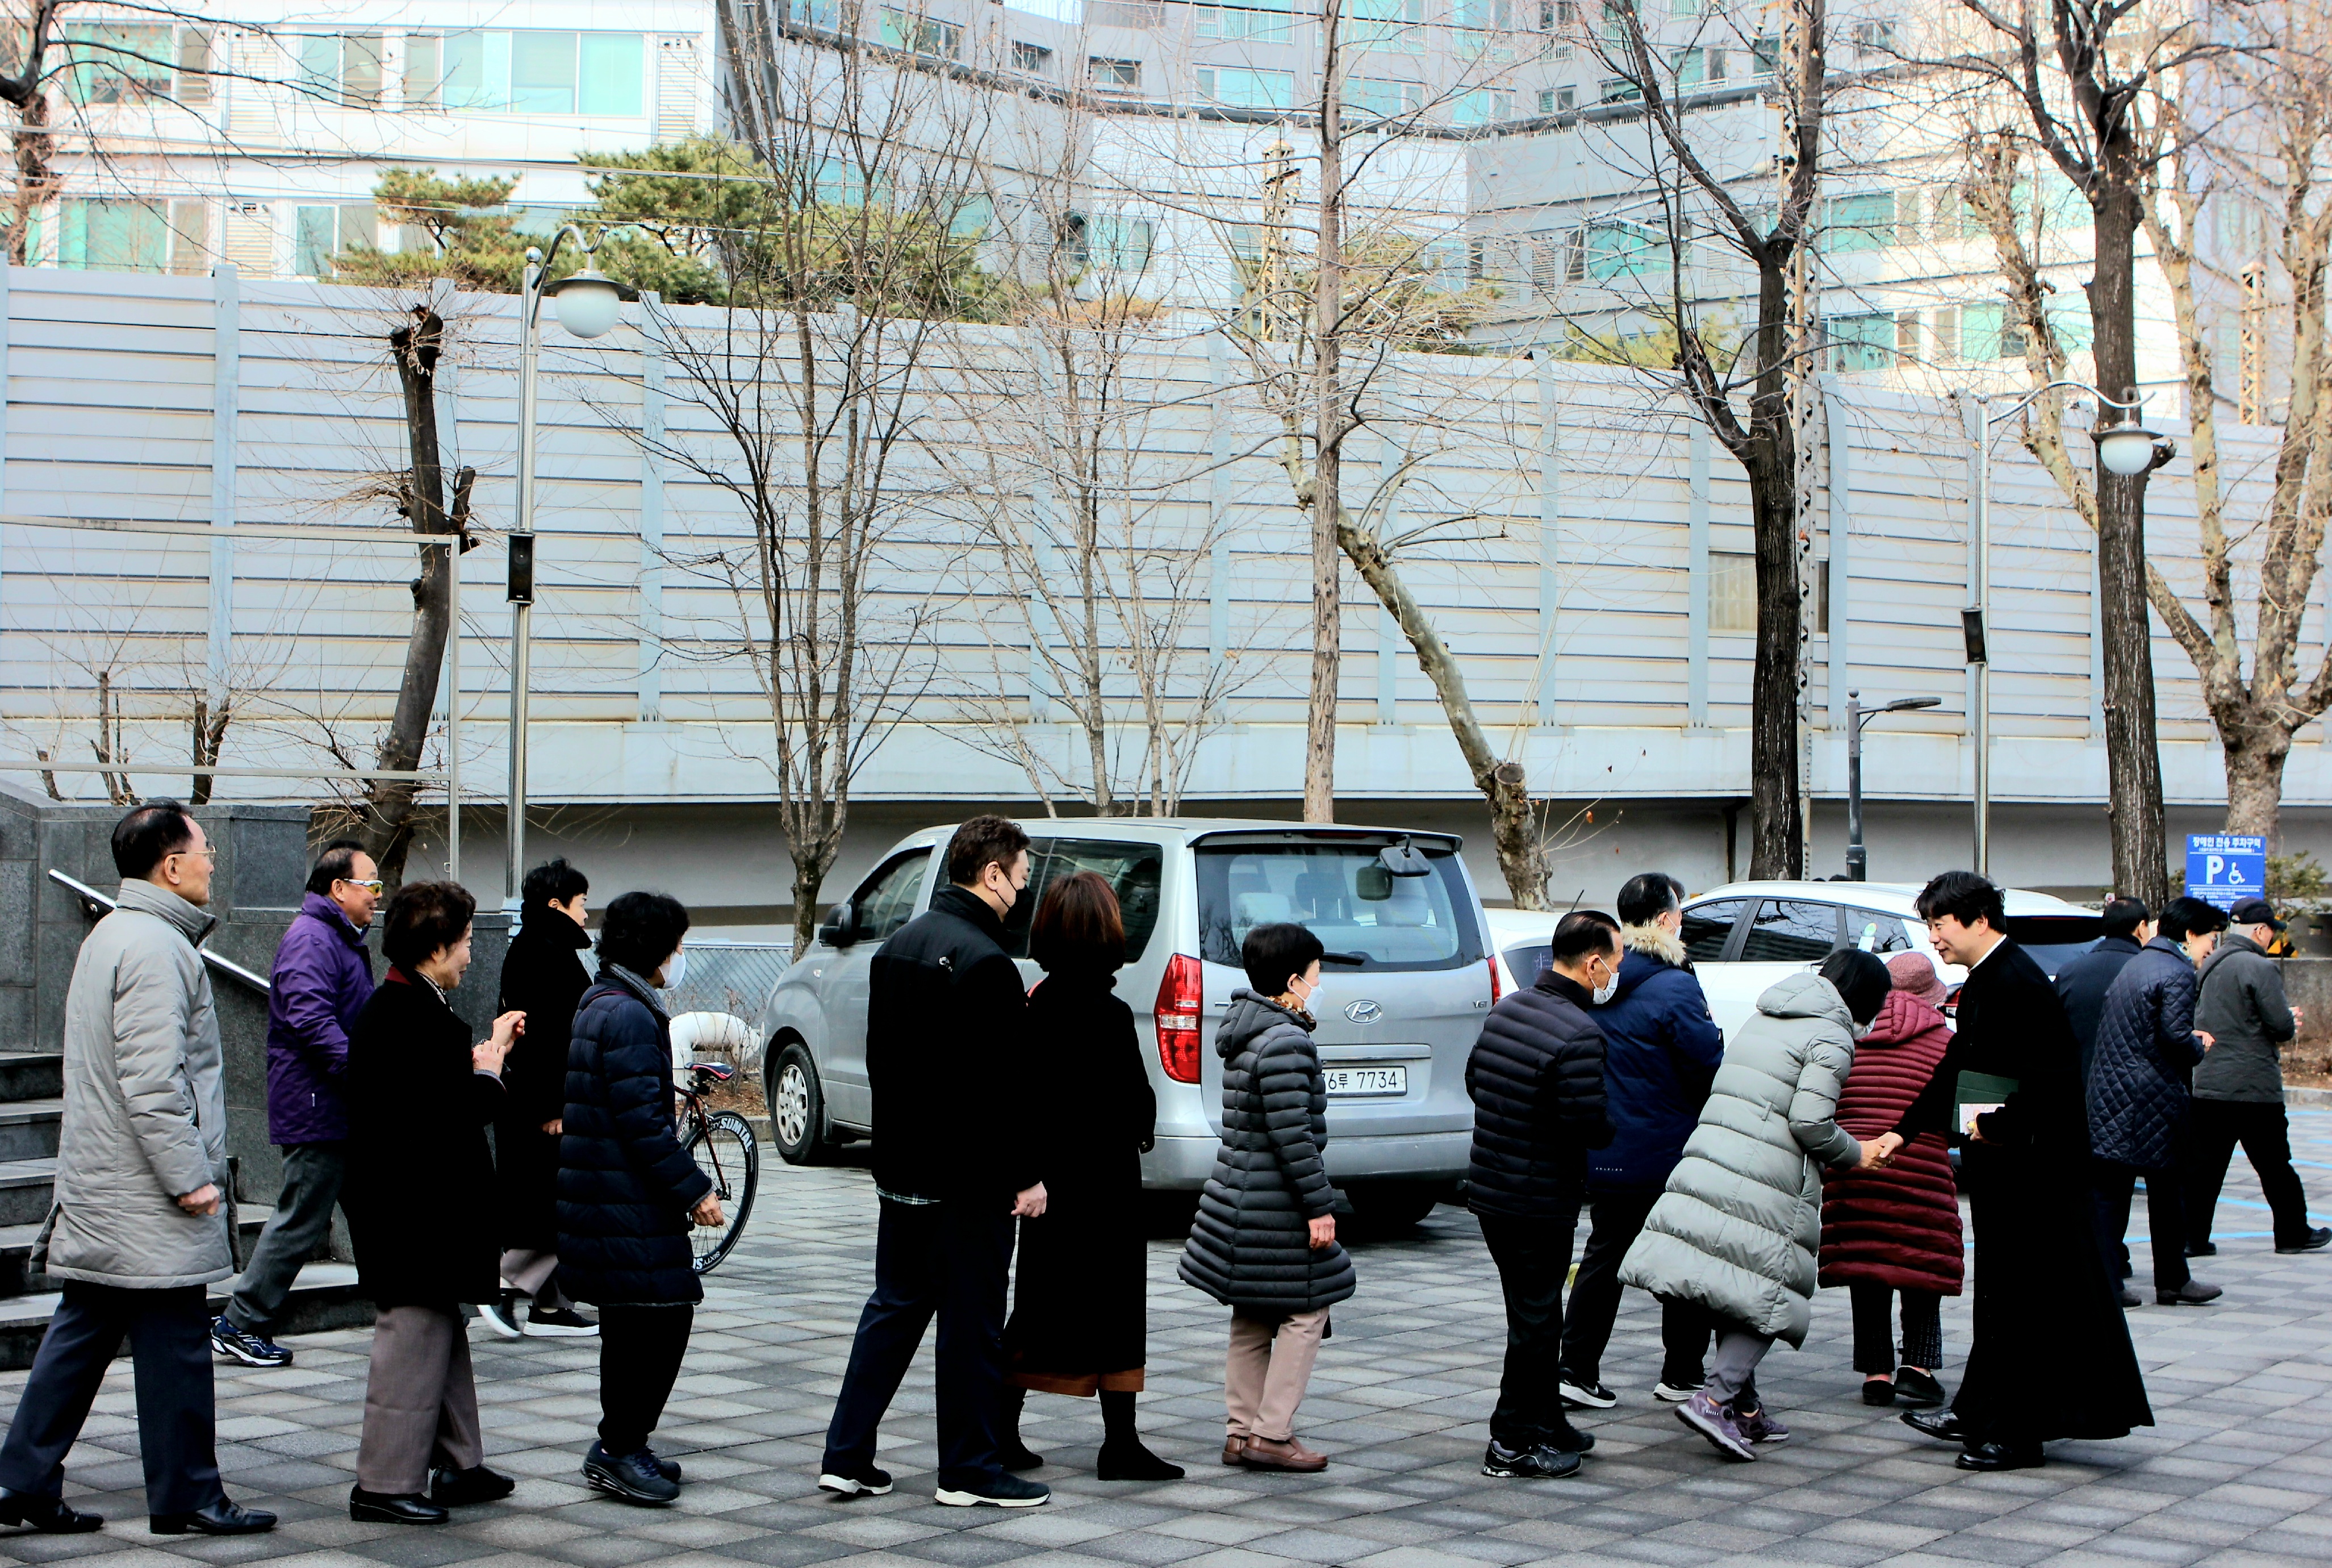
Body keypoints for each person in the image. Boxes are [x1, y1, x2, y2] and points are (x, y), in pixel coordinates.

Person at [0, 802, 275, 1536]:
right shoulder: (157, 947)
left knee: (82, 1332)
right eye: (204, 849)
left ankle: (21, 1480)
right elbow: (153, 1082)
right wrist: (190, 1177)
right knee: (176, 1341)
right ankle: (187, 1495)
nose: (213, 861)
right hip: (147, 1191)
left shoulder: (112, 934)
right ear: (171, 865)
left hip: (107, 1180)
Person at [1882, 870, 2151, 1473]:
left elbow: (2051, 1083)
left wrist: (1995, 1127)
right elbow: (1957, 1066)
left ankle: (2018, 1434)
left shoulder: (2016, 982)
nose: (1933, 937)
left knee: (2026, 1303)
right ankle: (1979, 1408)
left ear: (1979, 920)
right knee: (2001, 1298)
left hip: (2036, 1174)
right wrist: (1903, 1130)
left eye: (1940, 924)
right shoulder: (1987, 977)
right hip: (2005, 1167)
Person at [820, 816, 1050, 1510]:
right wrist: (1025, 1175)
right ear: (991, 874)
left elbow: (881, 1063)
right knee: (971, 1324)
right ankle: (968, 1468)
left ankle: (846, 1456)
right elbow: (1000, 1089)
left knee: (893, 1308)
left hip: (901, 1166)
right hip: (969, 1180)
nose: (1023, 892)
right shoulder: (987, 963)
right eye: (1020, 877)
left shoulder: (898, 947)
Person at [1620, 950, 1889, 1463]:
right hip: (1766, 1175)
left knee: (1736, 1286)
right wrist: (1858, 1153)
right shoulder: (1831, 1034)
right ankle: (1715, 1399)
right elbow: (1810, 1122)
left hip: (1716, 1156)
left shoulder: (1772, 1012)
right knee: (1769, 1291)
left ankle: (1745, 1408)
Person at [343, 881, 524, 1525]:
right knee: (413, 1339)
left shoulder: (405, 1005)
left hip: (410, 1206)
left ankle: (458, 1463)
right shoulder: (410, 1017)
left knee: (439, 1335)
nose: (471, 954)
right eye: (467, 942)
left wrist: (482, 1063)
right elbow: (448, 1117)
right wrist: (490, 1071)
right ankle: (383, 1483)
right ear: (436, 947)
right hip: (411, 1212)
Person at [997, 872, 1180, 1483]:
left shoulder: (1034, 1005)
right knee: (1116, 1307)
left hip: (1051, 1186)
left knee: (1039, 1305)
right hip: (1107, 1184)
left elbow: (1020, 1100)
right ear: (1107, 936)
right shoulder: (1109, 1013)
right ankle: (1120, 1442)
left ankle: (1001, 1428)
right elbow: (1136, 1105)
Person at [560, 891, 722, 1507]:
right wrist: (695, 1189)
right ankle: (619, 1447)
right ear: (654, 949)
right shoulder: (626, 1013)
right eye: (677, 944)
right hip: (624, 1201)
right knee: (658, 1318)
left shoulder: (605, 1000)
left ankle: (625, 1442)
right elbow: (643, 1125)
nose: (679, 956)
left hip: (611, 1196)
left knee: (635, 1323)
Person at [1178, 921, 1355, 1475]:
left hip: (1240, 1196)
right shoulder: (1286, 1041)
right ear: (1293, 981)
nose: (1319, 984)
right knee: (1309, 1307)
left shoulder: (1247, 1029)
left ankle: (1240, 1432)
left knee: (1253, 1312)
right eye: (1316, 974)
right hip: (1275, 1204)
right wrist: (1319, 1207)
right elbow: (1293, 1136)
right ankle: (1272, 1432)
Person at [211, 840, 379, 1369]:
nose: (378, 895)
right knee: (301, 1218)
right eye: (371, 884)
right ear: (338, 888)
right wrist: (364, 1072)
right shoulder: (312, 938)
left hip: (337, 1104)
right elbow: (311, 1020)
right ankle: (240, 1321)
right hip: (318, 1106)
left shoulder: (336, 937)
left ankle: (404, 1309)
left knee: (373, 1209)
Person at [1561, 873, 1724, 1412]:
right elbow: (1706, 1063)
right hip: (1671, 1149)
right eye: (1679, 914)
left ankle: (1575, 1368)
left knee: (1604, 1257)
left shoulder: (1598, 977)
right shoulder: (1676, 984)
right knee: (1685, 1255)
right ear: (1664, 920)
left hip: (1608, 1147)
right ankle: (1682, 1371)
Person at [1465, 910, 1617, 1481]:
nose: (1615, 974)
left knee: (1538, 1312)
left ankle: (1547, 1420)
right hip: (1537, 1198)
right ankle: (1510, 1440)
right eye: (1615, 963)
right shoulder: (1579, 1032)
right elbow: (1588, 1122)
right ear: (1592, 963)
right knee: (1535, 1320)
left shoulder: (1509, 1008)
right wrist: (1610, 1127)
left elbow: (1475, 1080)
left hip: (1493, 1188)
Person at [1817, 952, 1961, 1409]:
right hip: (1922, 1171)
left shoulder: (1848, 1036)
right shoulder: (1946, 1041)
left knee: (1867, 1265)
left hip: (1856, 1165)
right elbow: (1958, 1116)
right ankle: (1918, 1368)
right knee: (1920, 1262)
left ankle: (1876, 1372)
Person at [2089, 896, 2226, 1307]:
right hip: (2151, 1098)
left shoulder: (2139, 963)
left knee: (2112, 1196)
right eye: (2210, 938)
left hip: (2112, 1093)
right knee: (2167, 1193)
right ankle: (2172, 1280)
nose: (2211, 948)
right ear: (2190, 934)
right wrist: (2198, 1046)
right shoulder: (2178, 971)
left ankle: (2109, 1281)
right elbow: (2174, 1035)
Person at [485, 858, 599, 1339]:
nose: (586, 914)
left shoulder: (544, 947)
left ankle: (551, 1305)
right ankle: (501, 1283)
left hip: (542, 1099)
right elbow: (544, 1039)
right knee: (546, 1204)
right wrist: (553, 1107)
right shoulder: (541, 952)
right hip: (541, 1104)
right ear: (556, 904)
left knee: (552, 1201)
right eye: (581, 903)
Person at [2187, 895, 2331, 1257]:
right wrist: (2288, 1017)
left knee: (2205, 1168)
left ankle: (2192, 1238)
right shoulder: (2259, 967)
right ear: (2261, 931)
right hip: (2253, 1085)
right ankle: (2293, 1233)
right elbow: (2280, 1026)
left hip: (2209, 1082)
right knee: (2275, 1165)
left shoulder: (2209, 963)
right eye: (2272, 931)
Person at [2055, 897, 2153, 1078]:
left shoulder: (2069, 972)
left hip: (2075, 1080)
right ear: (2141, 927)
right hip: (2133, 1081)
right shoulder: (2151, 971)